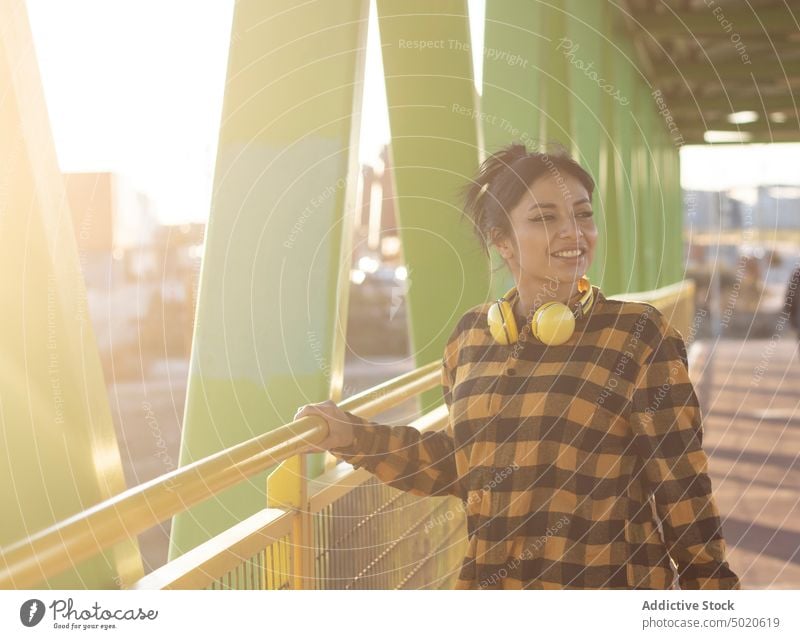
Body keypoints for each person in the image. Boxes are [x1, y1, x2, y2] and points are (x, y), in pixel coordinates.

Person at [295, 142, 740, 590]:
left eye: (583, 215)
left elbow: (682, 483)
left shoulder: (639, 335)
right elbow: (459, 464)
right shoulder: (471, 338)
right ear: (501, 240)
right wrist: (353, 436)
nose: (573, 233)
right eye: (545, 218)